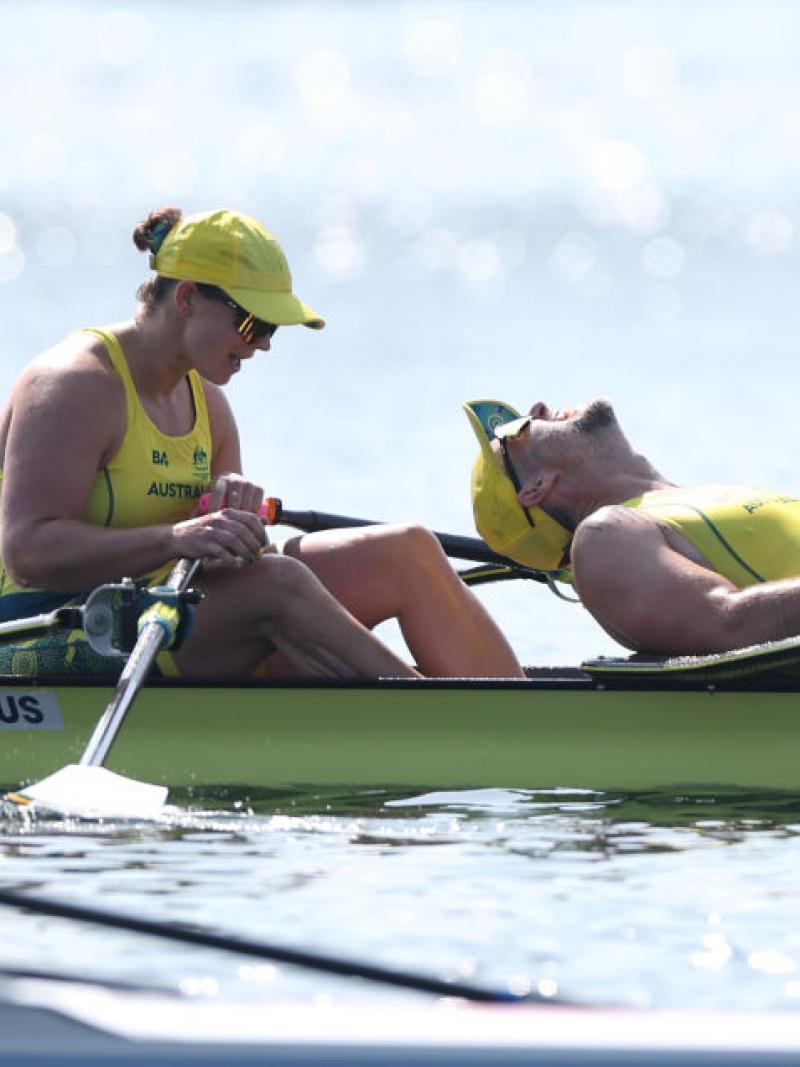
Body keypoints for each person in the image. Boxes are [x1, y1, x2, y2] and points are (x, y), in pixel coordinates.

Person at [0, 207, 523, 681]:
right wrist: (175, 538)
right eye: (252, 323)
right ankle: (438, 719)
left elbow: (236, 568)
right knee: (278, 584)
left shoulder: (209, 404)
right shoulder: (74, 386)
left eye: (271, 328)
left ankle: (520, 716)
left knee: (406, 551)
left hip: (165, 611)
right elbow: (26, 552)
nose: (265, 344)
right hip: (42, 629)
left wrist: (235, 531)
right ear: (187, 298)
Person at [464, 396, 800, 656]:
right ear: (535, 486)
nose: (539, 408)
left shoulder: (713, 494)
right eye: (518, 431)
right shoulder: (605, 538)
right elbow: (727, 627)